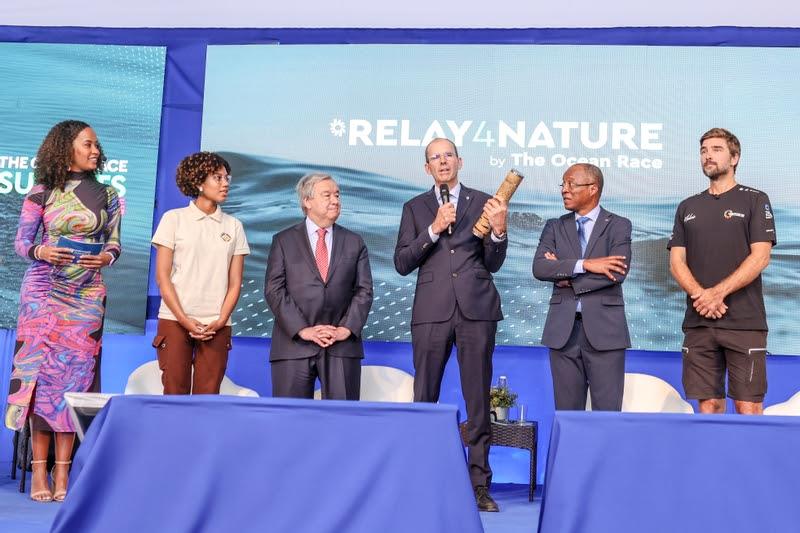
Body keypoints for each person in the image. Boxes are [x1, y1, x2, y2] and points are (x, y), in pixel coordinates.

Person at [5, 120, 121, 502]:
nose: (94, 150)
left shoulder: (109, 195)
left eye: (96, 145)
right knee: (41, 381)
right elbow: (22, 244)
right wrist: (43, 251)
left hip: (87, 296)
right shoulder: (41, 193)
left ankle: (63, 475)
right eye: (87, 144)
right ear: (65, 148)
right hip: (43, 293)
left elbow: (115, 245)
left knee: (75, 383)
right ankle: (39, 473)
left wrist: (105, 256)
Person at [394, 138, 508, 513]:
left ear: (459, 161)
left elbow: (492, 262)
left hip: (476, 310)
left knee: (477, 400)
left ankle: (478, 485)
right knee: (423, 396)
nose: (442, 162)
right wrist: (432, 229)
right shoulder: (415, 207)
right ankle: (420, 477)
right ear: (427, 168)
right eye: (434, 158)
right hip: (431, 311)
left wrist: (498, 231)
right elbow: (402, 262)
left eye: (448, 155)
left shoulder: (484, 200)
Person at [668, 128, 774, 415]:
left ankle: (750, 462)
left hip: (744, 322)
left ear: (735, 157)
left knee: (748, 406)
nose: (707, 155)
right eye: (703, 150)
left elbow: (761, 257)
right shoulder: (687, 206)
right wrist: (701, 297)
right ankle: (714, 461)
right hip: (699, 322)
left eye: (716, 149)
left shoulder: (755, 200)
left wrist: (716, 294)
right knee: (708, 406)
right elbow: (677, 262)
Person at [532, 163, 632, 411]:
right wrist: (586, 264)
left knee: (607, 414)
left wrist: (566, 276)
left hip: (605, 333)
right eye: (563, 184)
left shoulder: (619, 225)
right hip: (562, 333)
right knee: (567, 415)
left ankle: (603, 453)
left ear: (592, 189)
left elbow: (616, 273)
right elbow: (540, 268)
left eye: (571, 184)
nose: (564, 190)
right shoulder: (554, 226)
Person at [265, 173, 373, 400]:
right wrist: (303, 329)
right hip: (293, 346)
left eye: (337, 195)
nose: (335, 200)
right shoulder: (283, 241)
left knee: (342, 422)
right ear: (307, 201)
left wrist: (345, 329)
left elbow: (364, 290)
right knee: (290, 421)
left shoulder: (355, 242)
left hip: (341, 345)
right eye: (327, 195)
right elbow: (275, 290)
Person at [151, 152, 250, 395]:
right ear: (198, 182)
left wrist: (220, 319)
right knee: (174, 392)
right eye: (217, 177)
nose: (225, 183)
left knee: (208, 395)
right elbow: (163, 276)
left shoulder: (234, 225)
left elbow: (235, 282)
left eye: (227, 178)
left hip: (217, 322)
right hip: (175, 320)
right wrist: (184, 319)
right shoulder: (173, 219)